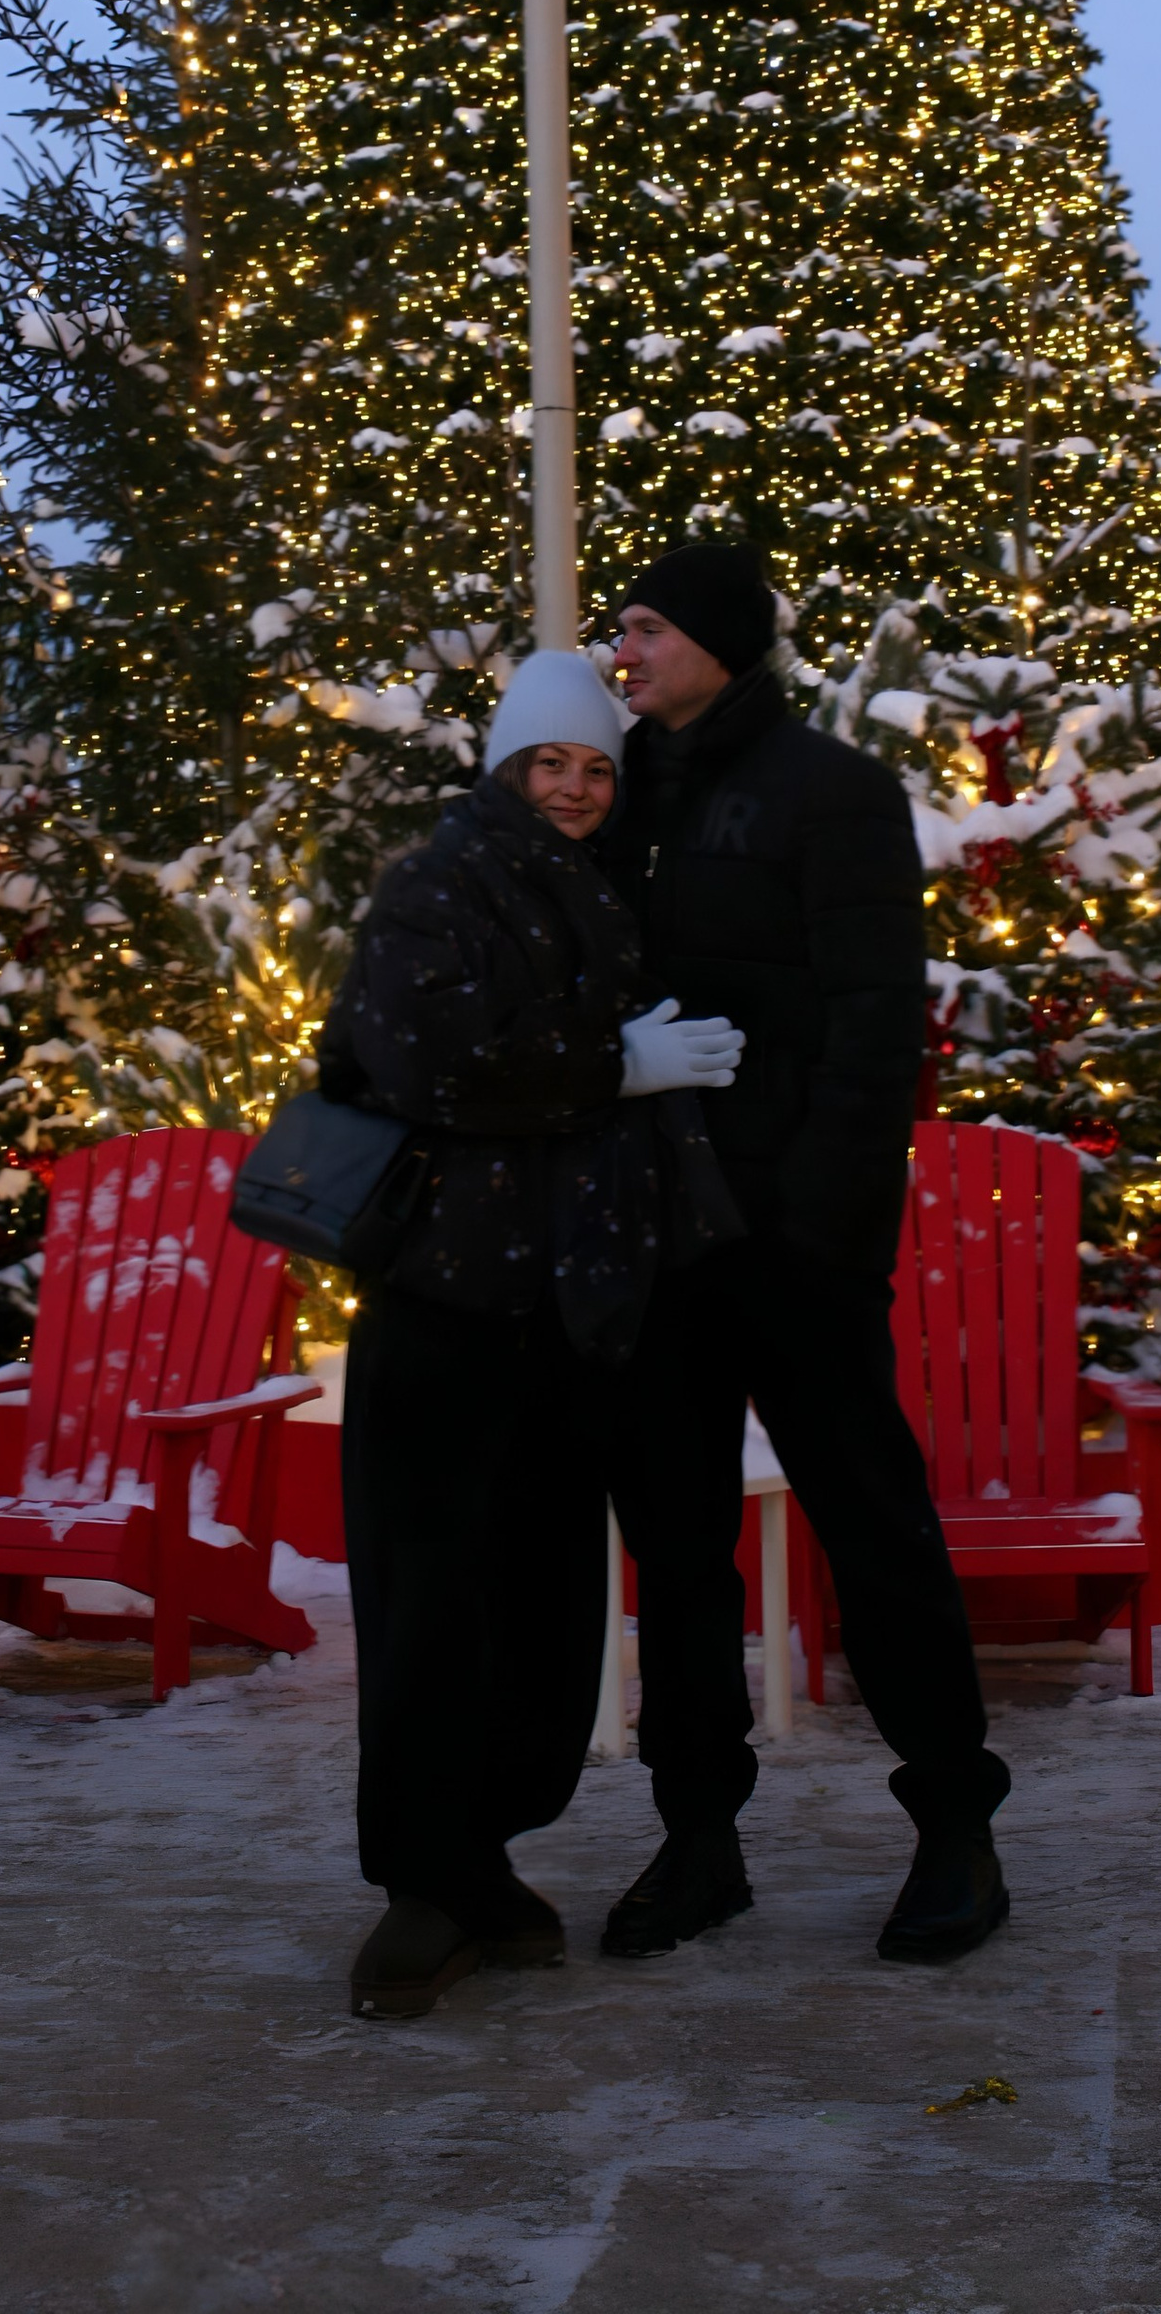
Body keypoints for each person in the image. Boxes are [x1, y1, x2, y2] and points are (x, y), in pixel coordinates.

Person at [594, 539, 1012, 1968]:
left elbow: (875, 1027)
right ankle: (697, 1838)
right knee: (676, 1551)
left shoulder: (832, 791)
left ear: (717, 641)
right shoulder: (616, 791)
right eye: (619, 630)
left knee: (871, 1525)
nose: (623, 654)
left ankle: (956, 1825)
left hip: (793, 1244)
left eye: (645, 628)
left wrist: (824, 1229)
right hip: (659, 1241)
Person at [323, 647, 744, 2017]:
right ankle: (422, 1887)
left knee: (543, 1610)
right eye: (549, 763)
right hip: (450, 1307)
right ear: (506, 766)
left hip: (569, 1312)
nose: (573, 788)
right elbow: (425, 1060)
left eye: (594, 768)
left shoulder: (599, 892)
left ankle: (480, 1861)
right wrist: (615, 1064)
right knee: (435, 1605)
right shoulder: (437, 886)